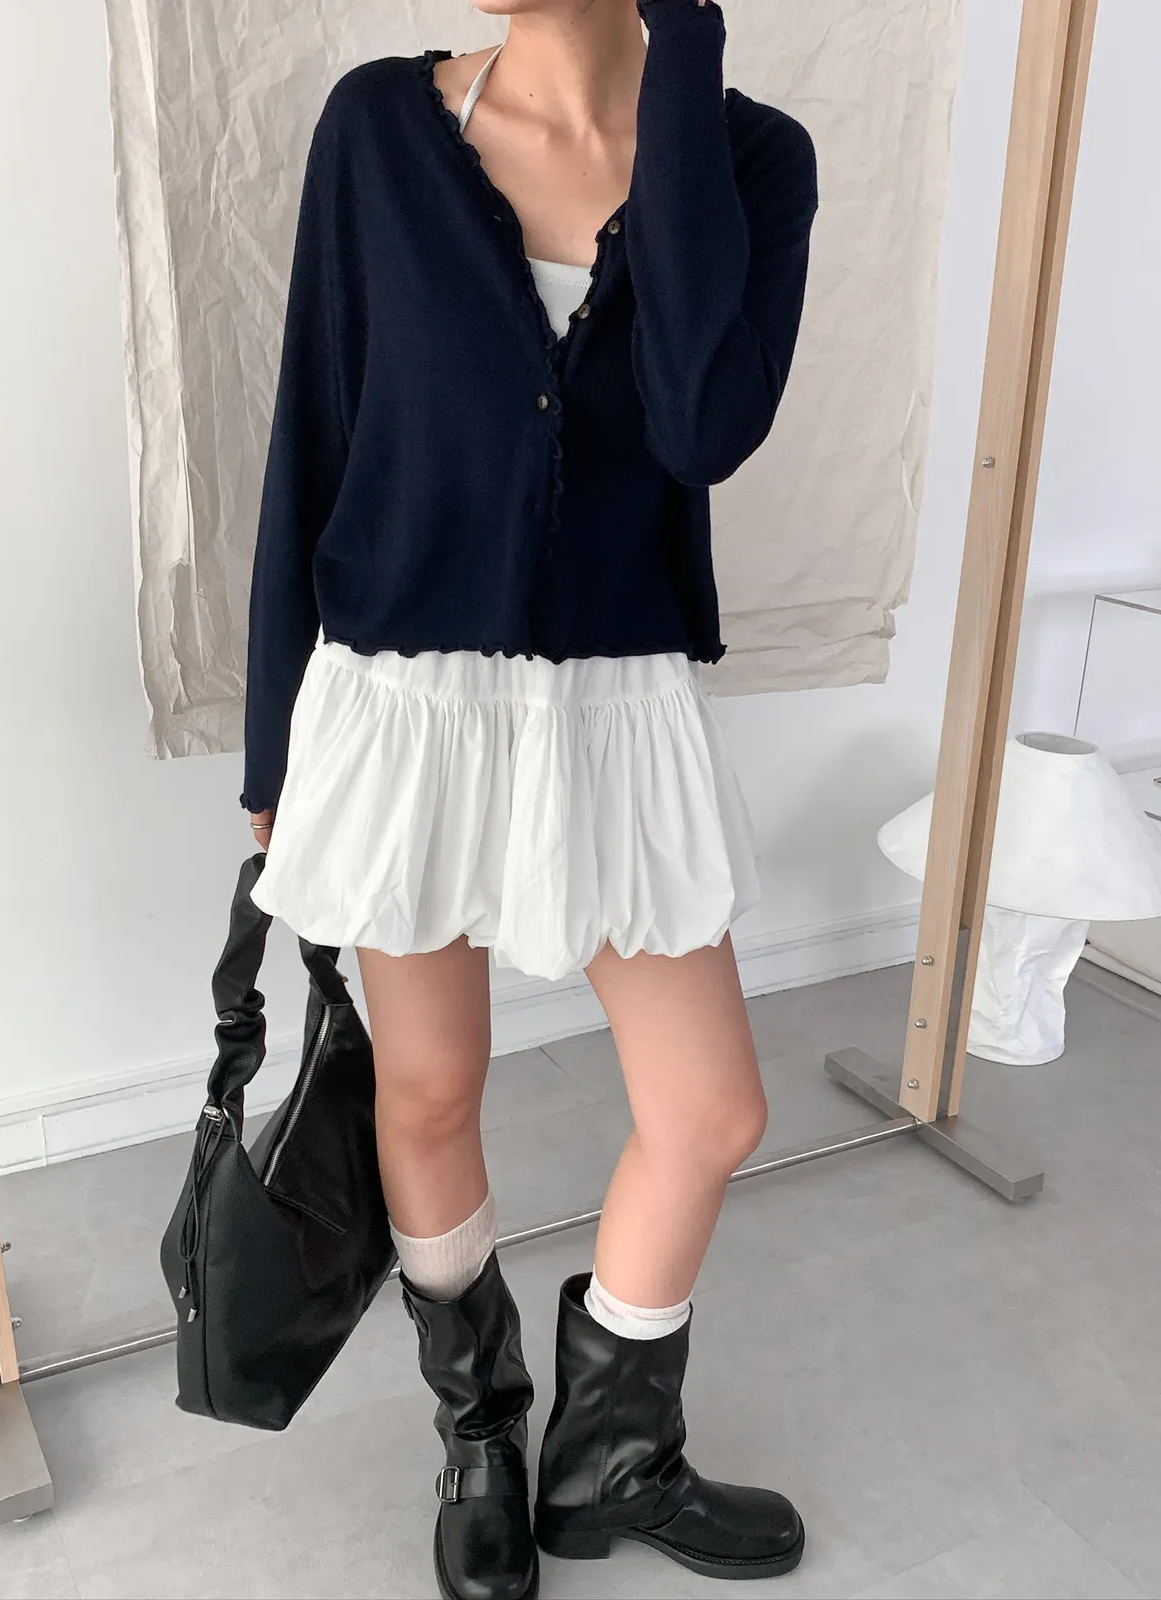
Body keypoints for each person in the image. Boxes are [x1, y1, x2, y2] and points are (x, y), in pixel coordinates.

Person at [239, 1, 817, 1595]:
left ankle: (610, 1455)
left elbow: (703, 423)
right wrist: (274, 750)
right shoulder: (379, 129)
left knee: (710, 1112)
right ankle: (481, 1436)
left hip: (614, 708)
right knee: (428, 1091)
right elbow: (312, 428)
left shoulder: (751, 158)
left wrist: (682, 59)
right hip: (404, 704)